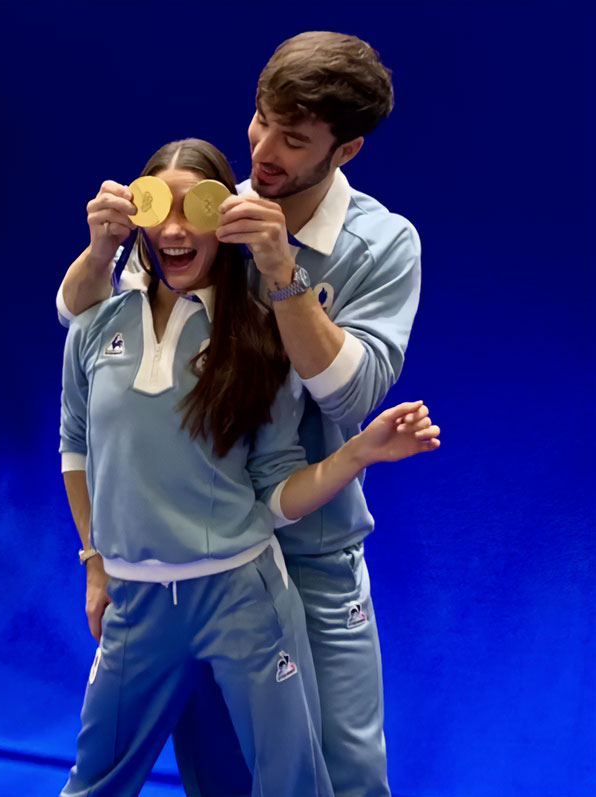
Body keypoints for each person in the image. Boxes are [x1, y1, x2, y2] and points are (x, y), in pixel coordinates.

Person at [58, 32, 423, 797]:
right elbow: (86, 322)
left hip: (310, 554)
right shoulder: (209, 210)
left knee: (343, 770)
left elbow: (350, 398)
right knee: (218, 772)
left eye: (294, 139)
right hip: (195, 558)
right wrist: (100, 252)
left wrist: (282, 273)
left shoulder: (383, 246)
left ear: (346, 149)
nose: (263, 148)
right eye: (260, 121)